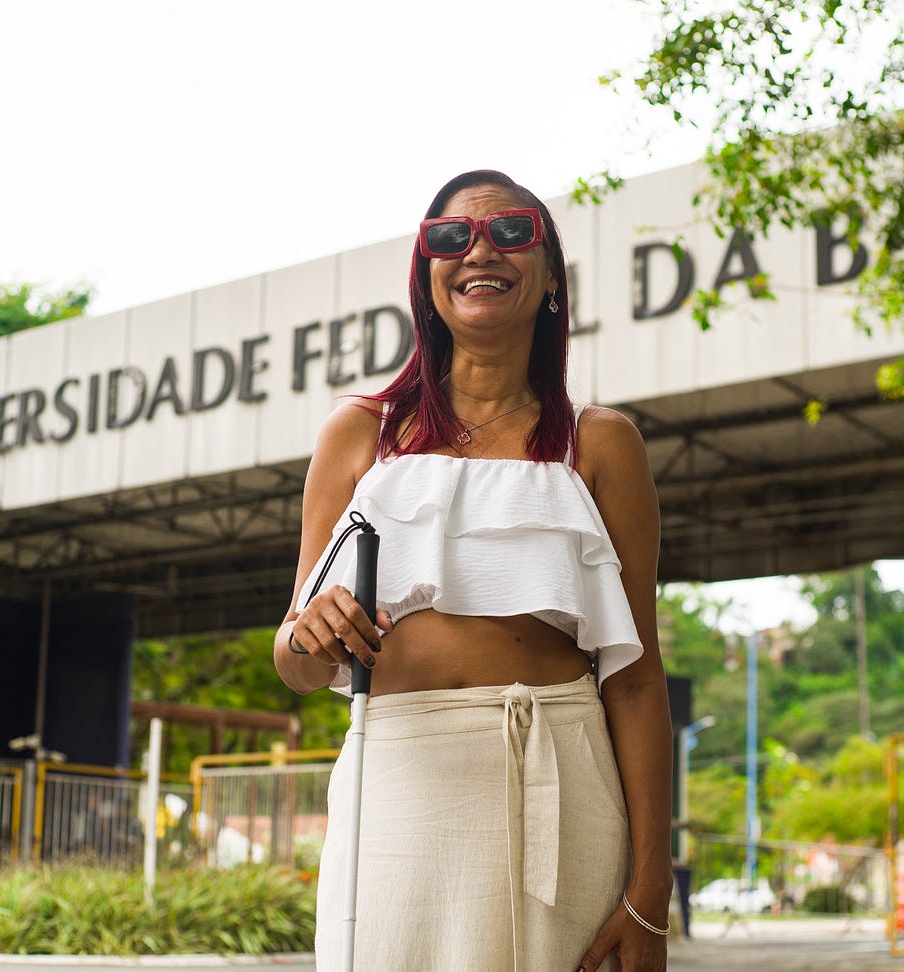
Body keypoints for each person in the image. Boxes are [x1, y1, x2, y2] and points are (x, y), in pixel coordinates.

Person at [275, 169, 672, 971]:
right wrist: (308, 634)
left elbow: (634, 679)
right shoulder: (357, 435)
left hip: (559, 782)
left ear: (553, 274)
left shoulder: (601, 444)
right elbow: (296, 665)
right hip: (394, 791)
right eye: (450, 239)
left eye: (511, 231)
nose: (478, 250)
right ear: (427, 277)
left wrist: (650, 897)